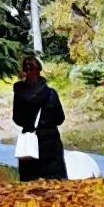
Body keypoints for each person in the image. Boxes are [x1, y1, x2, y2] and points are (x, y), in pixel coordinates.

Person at [10, 53, 68, 182]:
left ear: (24, 71)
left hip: (29, 143)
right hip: (50, 142)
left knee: (29, 184)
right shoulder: (51, 94)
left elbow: (17, 118)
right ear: (39, 71)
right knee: (56, 183)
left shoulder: (19, 95)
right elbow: (60, 118)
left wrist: (29, 124)